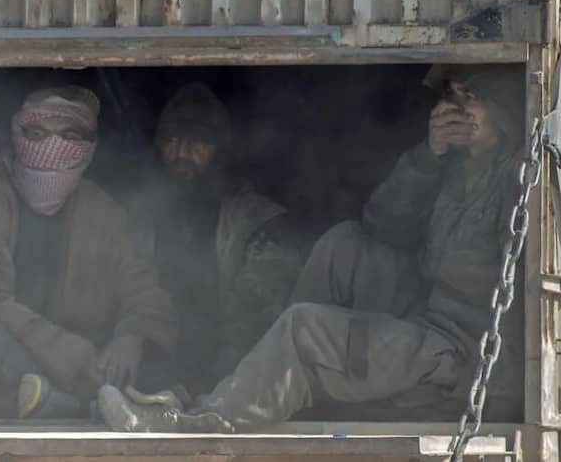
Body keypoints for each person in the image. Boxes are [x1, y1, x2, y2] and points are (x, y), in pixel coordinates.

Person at [98, 65, 526, 432]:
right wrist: (429, 155)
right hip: (429, 323)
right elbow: (383, 226)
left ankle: (204, 422)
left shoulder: (522, 177)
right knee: (345, 243)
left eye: (471, 98)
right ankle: (245, 390)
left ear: (503, 109)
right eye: (453, 96)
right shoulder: (456, 168)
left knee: (304, 328)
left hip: (464, 361)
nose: (456, 108)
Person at [0, 86, 176, 419]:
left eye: (69, 135)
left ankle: (73, 401)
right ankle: (82, 405)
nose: (52, 147)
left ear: (88, 147)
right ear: (18, 134)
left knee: (154, 366)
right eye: (39, 134)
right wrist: (76, 356)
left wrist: (132, 337)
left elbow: (141, 287)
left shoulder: (103, 209)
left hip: (87, 350)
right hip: (21, 346)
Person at [128, 83, 304, 395]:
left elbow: (255, 324)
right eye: (172, 140)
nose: (182, 153)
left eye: (198, 143)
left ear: (220, 151)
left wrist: (208, 388)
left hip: (230, 378)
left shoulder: (259, 222)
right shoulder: (137, 219)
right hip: (152, 365)